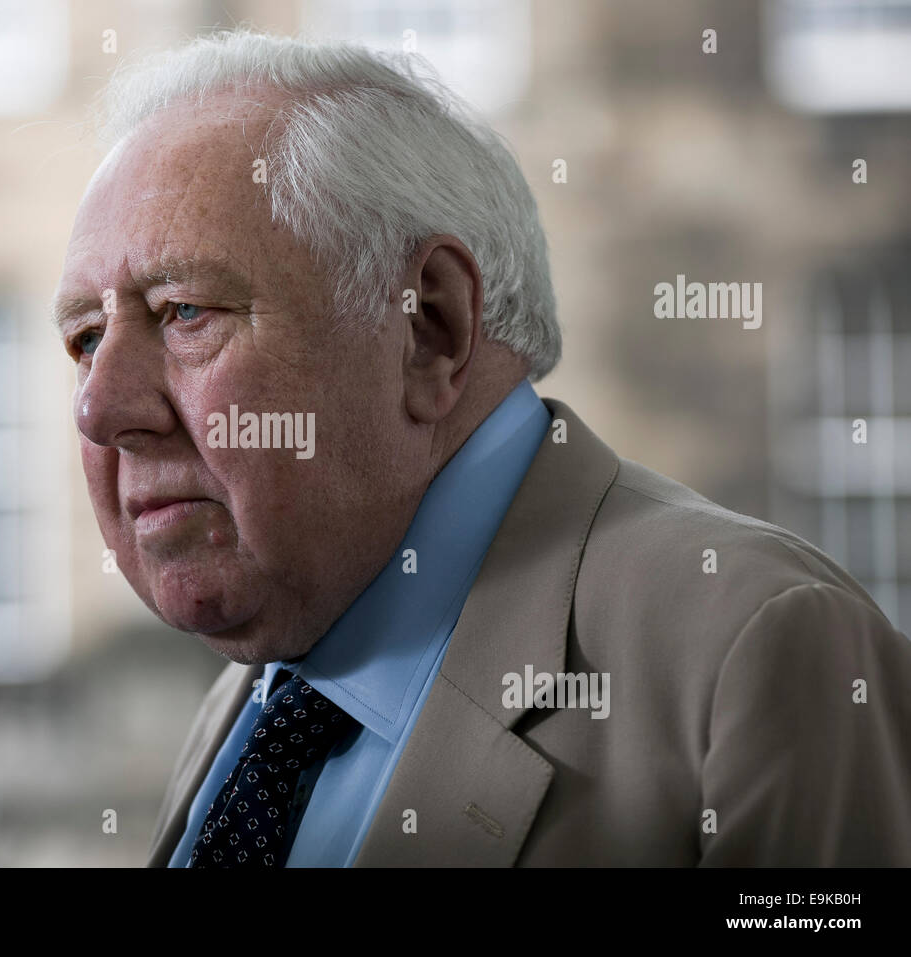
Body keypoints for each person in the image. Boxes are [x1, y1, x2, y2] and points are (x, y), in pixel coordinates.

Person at [51, 31, 911, 866]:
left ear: (428, 326)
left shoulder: (759, 651)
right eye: (86, 338)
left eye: (185, 312)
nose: (99, 407)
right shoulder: (254, 701)